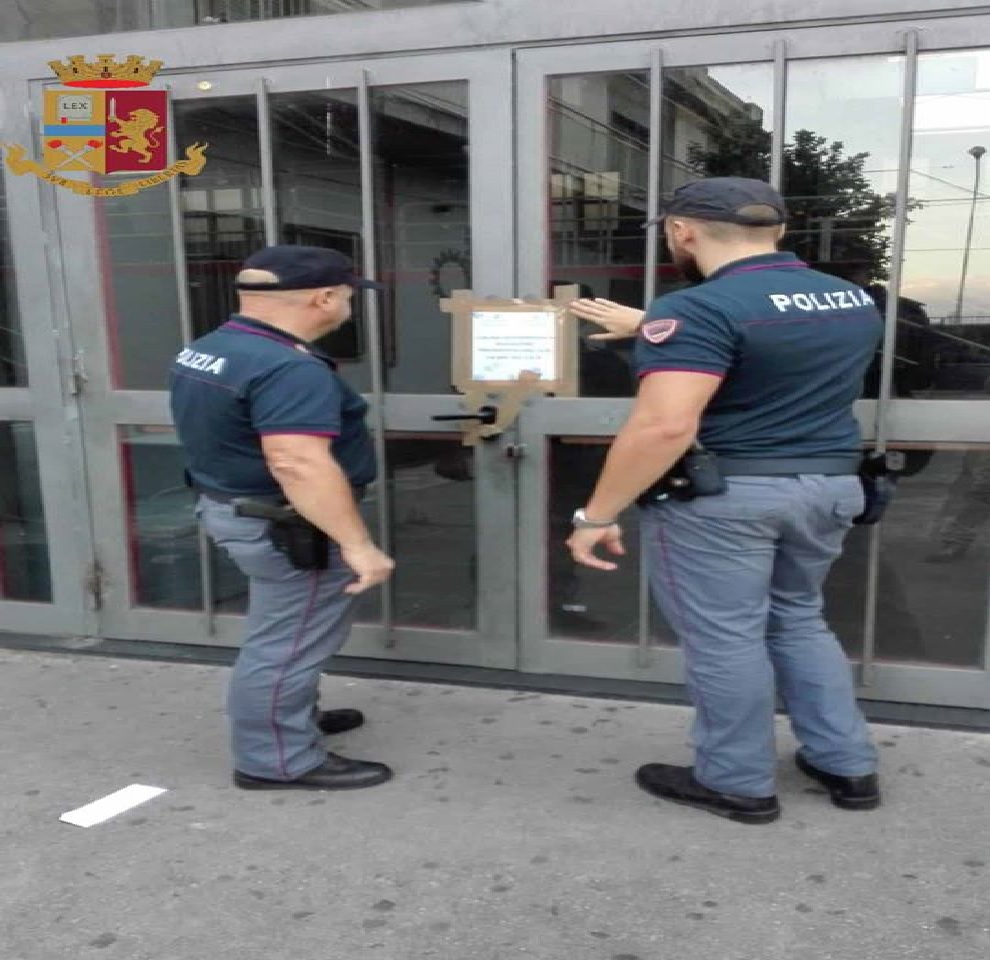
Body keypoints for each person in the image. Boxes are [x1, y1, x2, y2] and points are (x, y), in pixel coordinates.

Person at [566, 177, 882, 825]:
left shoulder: (700, 308)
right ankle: (846, 763)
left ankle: (736, 781)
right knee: (799, 620)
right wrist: (653, 327)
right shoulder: (851, 299)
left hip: (728, 499)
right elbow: (774, 346)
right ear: (779, 230)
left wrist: (595, 515)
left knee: (724, 639)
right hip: (828, 486)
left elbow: (664, 426)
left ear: (681, 231)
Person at [169, 245, 395, 792]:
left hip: (237, 508)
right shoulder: (290, 368)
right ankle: (276, 759)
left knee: (288, 633)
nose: (349, 306)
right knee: (286, 644)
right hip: (284, 524)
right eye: (348, 295)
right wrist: (358, 545)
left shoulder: (212, 347)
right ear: (325, 298)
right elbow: (296, 463)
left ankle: (292, 716)